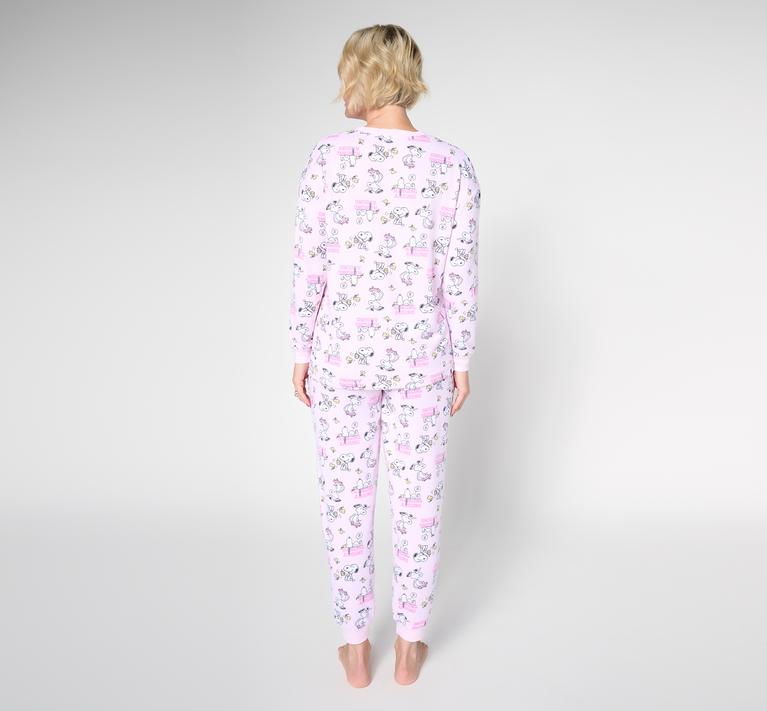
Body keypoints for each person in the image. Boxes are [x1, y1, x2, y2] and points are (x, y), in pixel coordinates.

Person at [288, 23, 481, 687]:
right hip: (422, 357)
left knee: (345, 500)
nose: (340, 87)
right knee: (418, 501)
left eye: (346, 73)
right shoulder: (451, 165)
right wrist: (461, 361)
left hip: (341, 356)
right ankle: (408, 644)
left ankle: (353, 647)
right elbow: (460, 272)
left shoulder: (327, 159)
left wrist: (300, 347)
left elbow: (309, 263)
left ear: (365, 75)